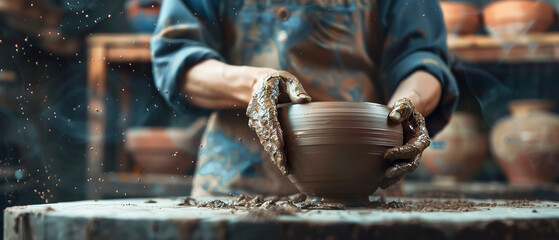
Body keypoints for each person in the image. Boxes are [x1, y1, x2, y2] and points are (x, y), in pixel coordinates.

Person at [151, 0, 459, 196]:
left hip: (364, 186)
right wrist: (258, 84)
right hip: (237, 185)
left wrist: (411, 103)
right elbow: (177, 60)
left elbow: (423, 59)